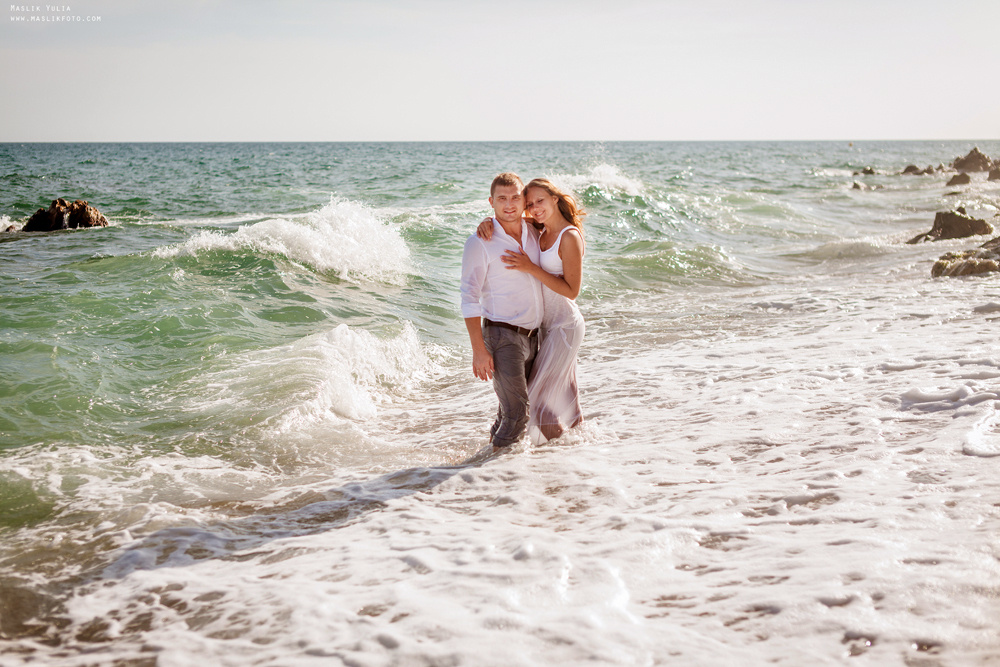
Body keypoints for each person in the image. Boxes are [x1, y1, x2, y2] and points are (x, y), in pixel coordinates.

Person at [478, 178, 585, 443]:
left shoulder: (568, 236)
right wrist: (487, 222)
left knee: (537, 401)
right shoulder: (539, 230)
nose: (535, 208)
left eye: (540, 201)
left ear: (555, 199)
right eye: (530, 204)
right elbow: (507, 220)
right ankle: (583, 447)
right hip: (545, 328)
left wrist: (531, 268)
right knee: (565, 397)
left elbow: (572, 290)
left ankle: (563, 461)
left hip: (565, 326)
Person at [460, 172, 544, 451]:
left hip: (534, 336)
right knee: (518, 414)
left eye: (515, 198)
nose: (509, 205)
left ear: (524, 201)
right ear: (491, 202)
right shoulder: (480, 242)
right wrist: (478, 349)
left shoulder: (533, 232)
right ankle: (488, 473)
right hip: (502, 335)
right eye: (502, 199)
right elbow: (469, 296)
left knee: (508, 410)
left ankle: (488, 467)